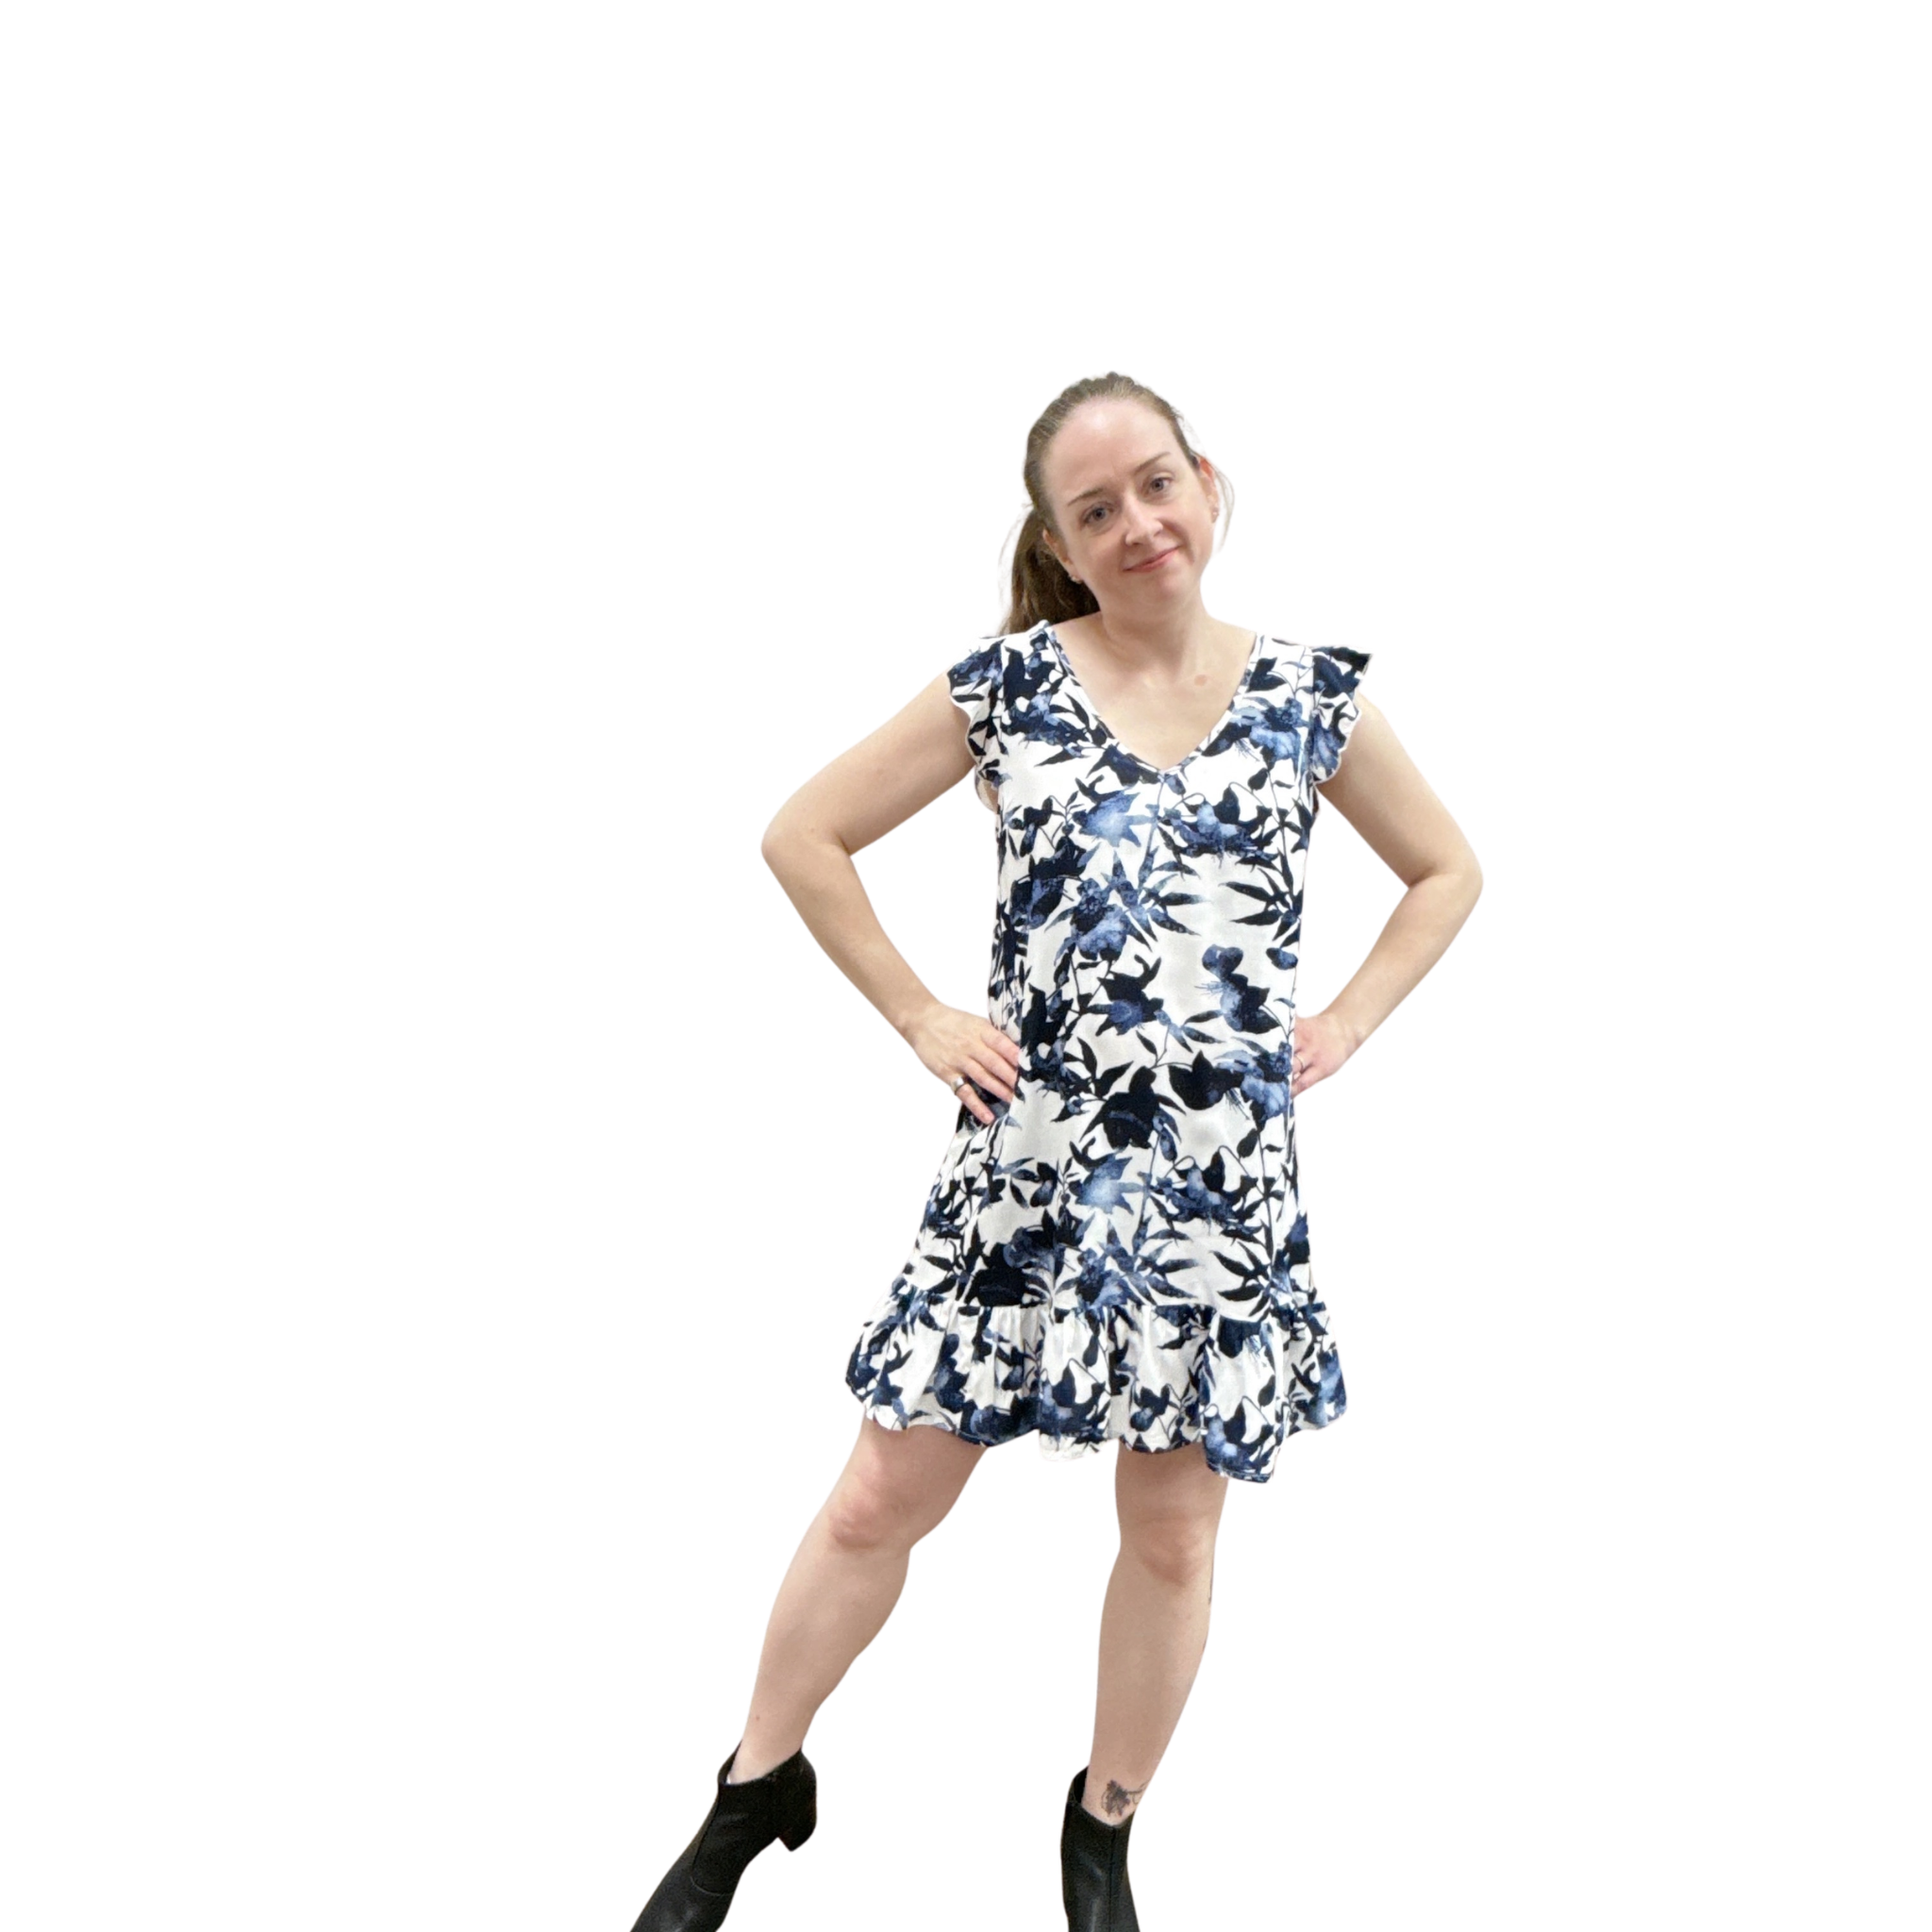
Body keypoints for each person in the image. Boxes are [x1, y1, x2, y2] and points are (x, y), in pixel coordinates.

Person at [627, 372, 1483, 1932]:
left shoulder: (1313, 695)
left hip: (1213, 1193)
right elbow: (803, 834)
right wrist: (918, 1015)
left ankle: (1102, 1829)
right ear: (1061, 543)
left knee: (1173, 1531)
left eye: (1155, 482)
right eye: (1097, 509)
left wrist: (1348, 1022)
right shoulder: (1008, 688)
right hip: (1021, 1173)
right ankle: (756, 1784)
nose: (1138, 523)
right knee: (880, 1493)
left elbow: (1447, 871)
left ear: (1206, 481)